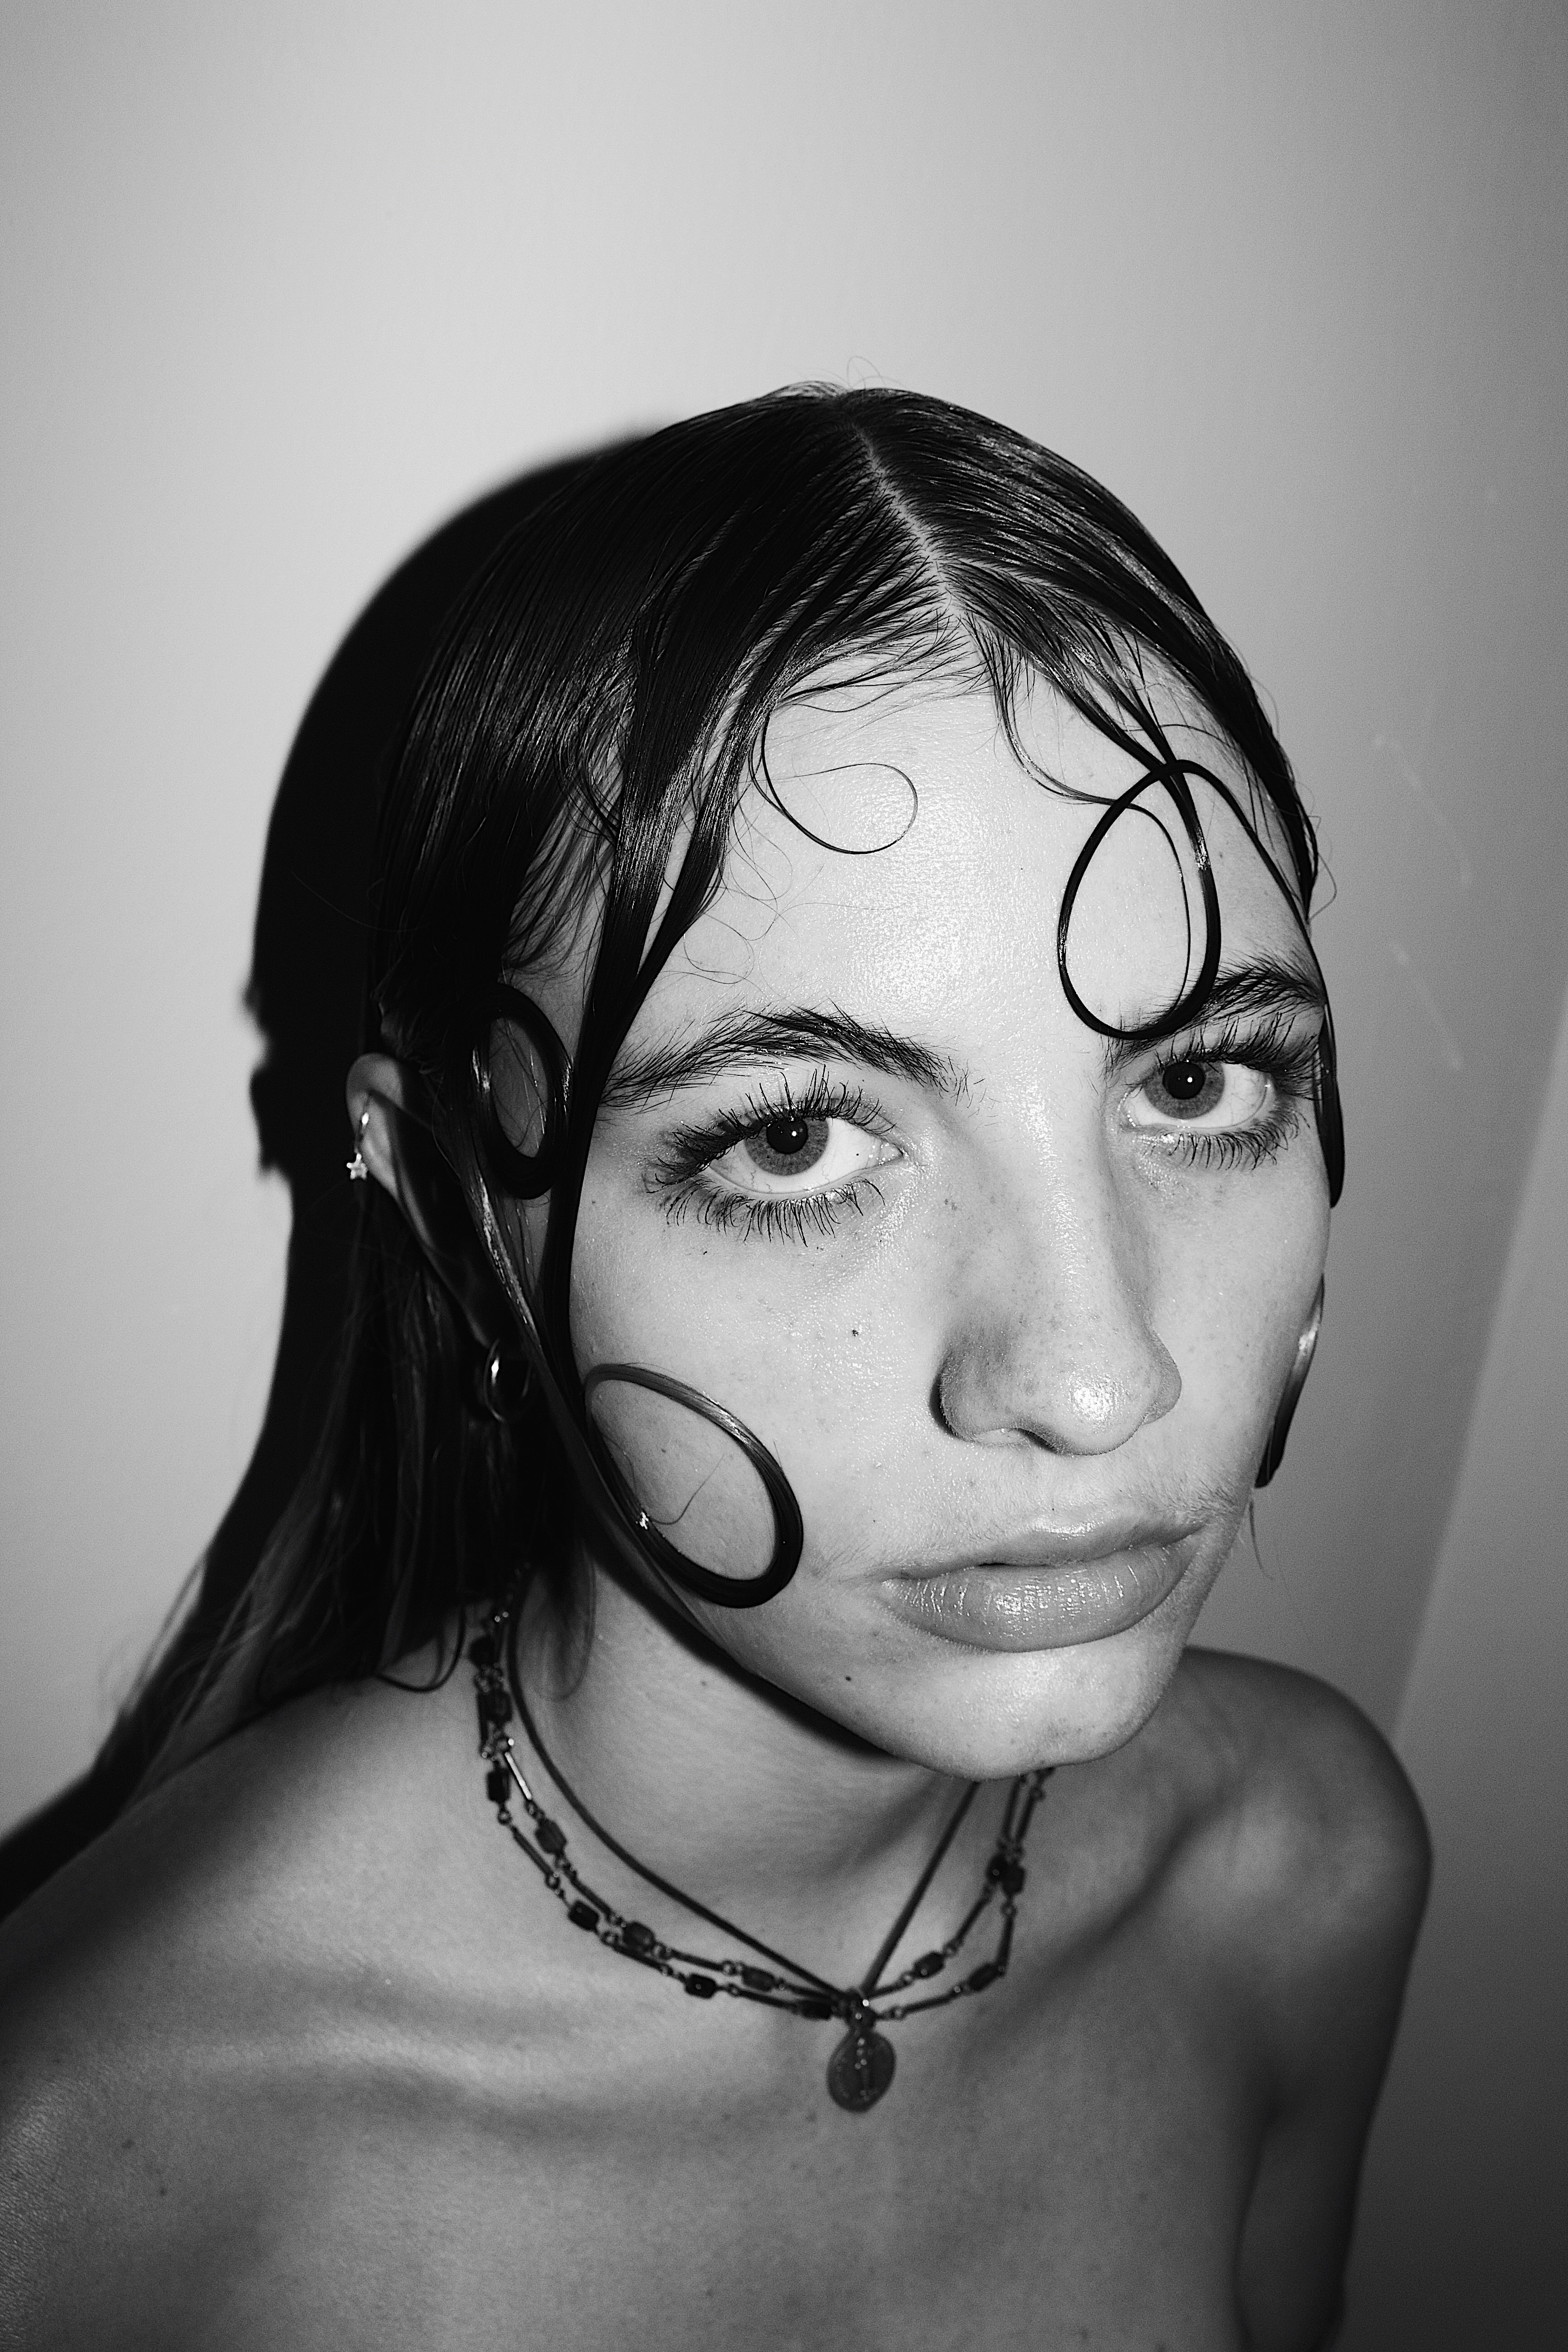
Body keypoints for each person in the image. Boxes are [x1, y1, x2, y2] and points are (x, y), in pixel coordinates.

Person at [0, 387, 1428, 2350]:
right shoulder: (87, 2178)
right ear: (446, 1207)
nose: (1100, 1385)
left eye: (1198, 1082)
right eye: (791, 1142)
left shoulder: (1296, 1869)